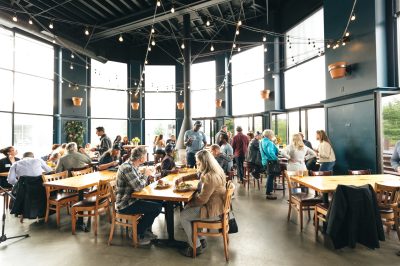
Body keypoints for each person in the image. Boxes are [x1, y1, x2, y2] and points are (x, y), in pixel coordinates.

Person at [177, 150, 226, 257]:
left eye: (198, 162)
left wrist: (189, 203)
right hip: (219, 208)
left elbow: (201, 200)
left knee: (184, 215)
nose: (197, 164)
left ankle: (196, 246)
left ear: (204, 162)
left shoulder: (209, 177)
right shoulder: (217, 171)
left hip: (212, 212)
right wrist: (183, 178)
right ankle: (200, 239)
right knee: (189, 211)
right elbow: (198, 175)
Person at [116, 147, 162, 245]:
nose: (146, 157)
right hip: (125, 204)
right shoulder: (127, 168)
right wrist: (145, 175)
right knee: (157, 208)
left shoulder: (133, 166)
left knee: (159, 201)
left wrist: (147, 175)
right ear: (141, 158)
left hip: (133, 199)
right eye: (146, 155)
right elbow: (138, 187)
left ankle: (145, 230)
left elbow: (139, 182)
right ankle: (137, 232)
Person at [259, 129, 279, 200]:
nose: (273, 136)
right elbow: (270, 152)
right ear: (270, 135)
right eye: (272, 135)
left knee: (269, 176)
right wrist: (276, 158)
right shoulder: (269, 143)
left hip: (264, 161)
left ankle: (269, 190)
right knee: (271, 177)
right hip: (270, 161)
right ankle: (269, 193)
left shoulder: (261, 141)